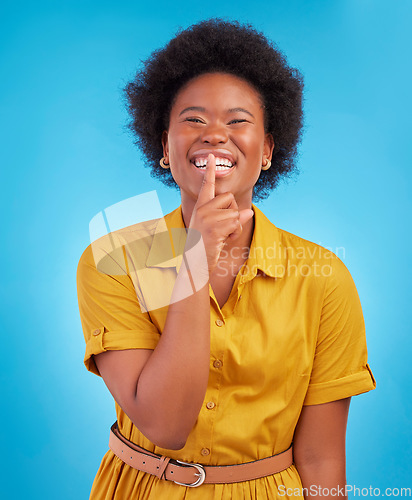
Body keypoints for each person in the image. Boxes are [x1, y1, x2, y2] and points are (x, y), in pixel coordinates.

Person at [77, 18, 376, 499]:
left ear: (267, 152)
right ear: (164, 148)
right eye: (193, 119)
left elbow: (322, 458)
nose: (215, 135)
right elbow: (165, 425)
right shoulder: (114, 260)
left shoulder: (323, 280)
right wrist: (195, 256)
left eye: (238, 121)